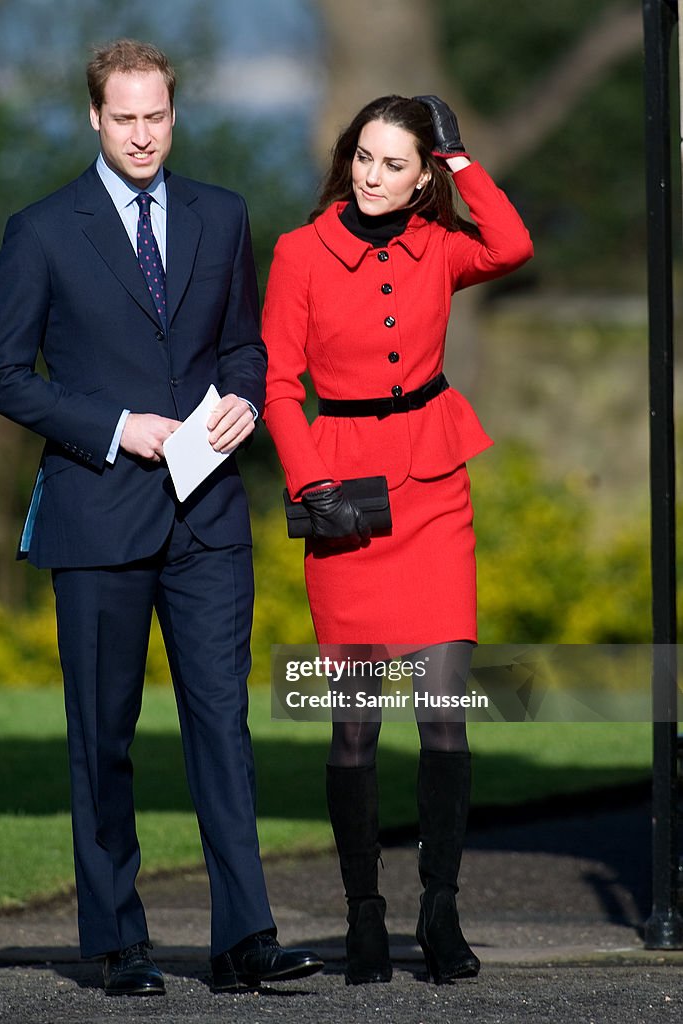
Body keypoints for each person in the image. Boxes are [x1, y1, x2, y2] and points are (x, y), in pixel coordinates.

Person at [0, 38, 323, 997]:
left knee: (224, 728)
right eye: (123, 118)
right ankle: (116, 940)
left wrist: (245, 400)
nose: (141, 134)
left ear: (176, 114)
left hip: (207, 516)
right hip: (97, 517)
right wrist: (119, 427)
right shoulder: (42, 230)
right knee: (104, 736)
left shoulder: (223, 214)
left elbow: (245, 345)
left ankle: (245, 936)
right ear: (94, 117)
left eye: (156, 116)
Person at [261, 94, 533, 986]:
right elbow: (277, 382)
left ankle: (440, 912)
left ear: (420, 177)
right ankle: (364, 915)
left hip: (432, 491)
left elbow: (511, 244)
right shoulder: (300, 252)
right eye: (364, 159)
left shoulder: (437, 246)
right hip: (345, 497)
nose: (374, 177)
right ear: (348, 160)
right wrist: (311, 485)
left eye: (395, 164)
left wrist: (459, 158)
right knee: (353, 730)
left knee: (446, 718)